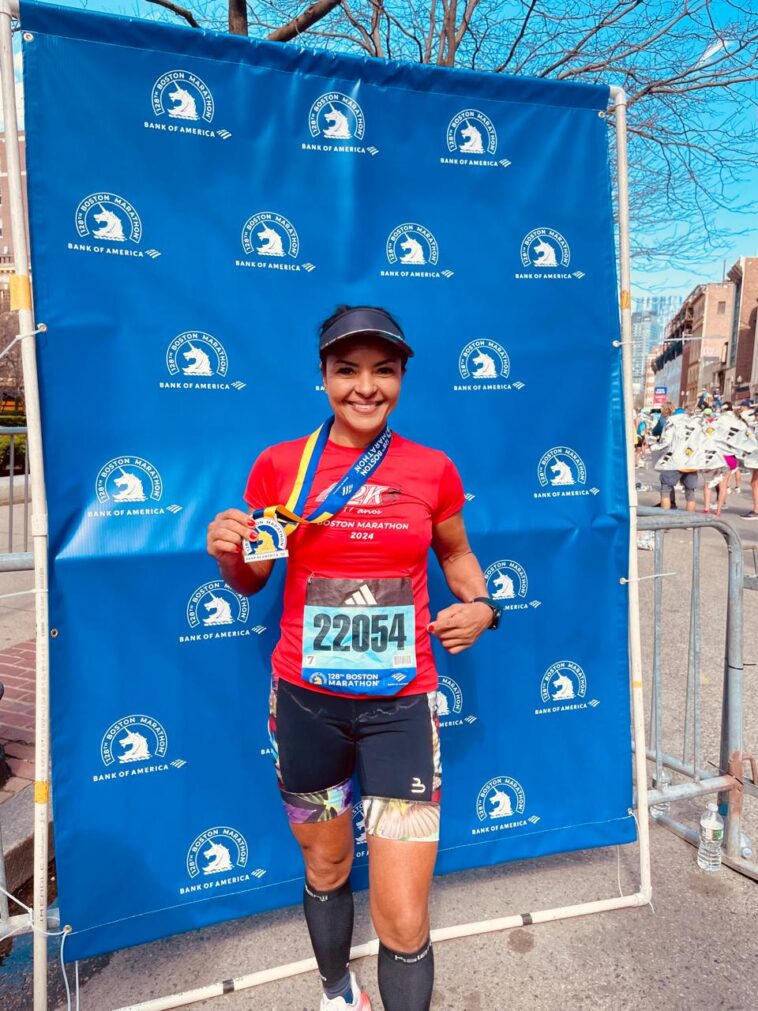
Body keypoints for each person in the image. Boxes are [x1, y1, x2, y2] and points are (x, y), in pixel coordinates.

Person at [206, 305, 500, 1011]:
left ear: (401, 377)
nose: (365, 387)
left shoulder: (432, 469)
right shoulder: (281, 467)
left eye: (383, 370)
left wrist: (485, 607)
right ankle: (338, 992)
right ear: (323, 376)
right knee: (328, 865)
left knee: (403, 916)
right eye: (347, 370)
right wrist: (228, 556)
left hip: (401, 707)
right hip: (306, 704)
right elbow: (251, 579)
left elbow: (458, 555)